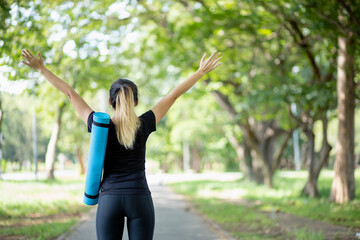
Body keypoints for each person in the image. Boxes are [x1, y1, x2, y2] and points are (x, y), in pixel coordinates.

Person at [21, 49, 222, 240]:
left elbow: (70, 94)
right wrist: (200, 72)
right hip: (139, 198)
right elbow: (174, 95)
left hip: (110, 200)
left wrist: (42, 69)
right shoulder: (145, 123)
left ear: (111, 101)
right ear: (135, 102)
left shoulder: (99, 125)